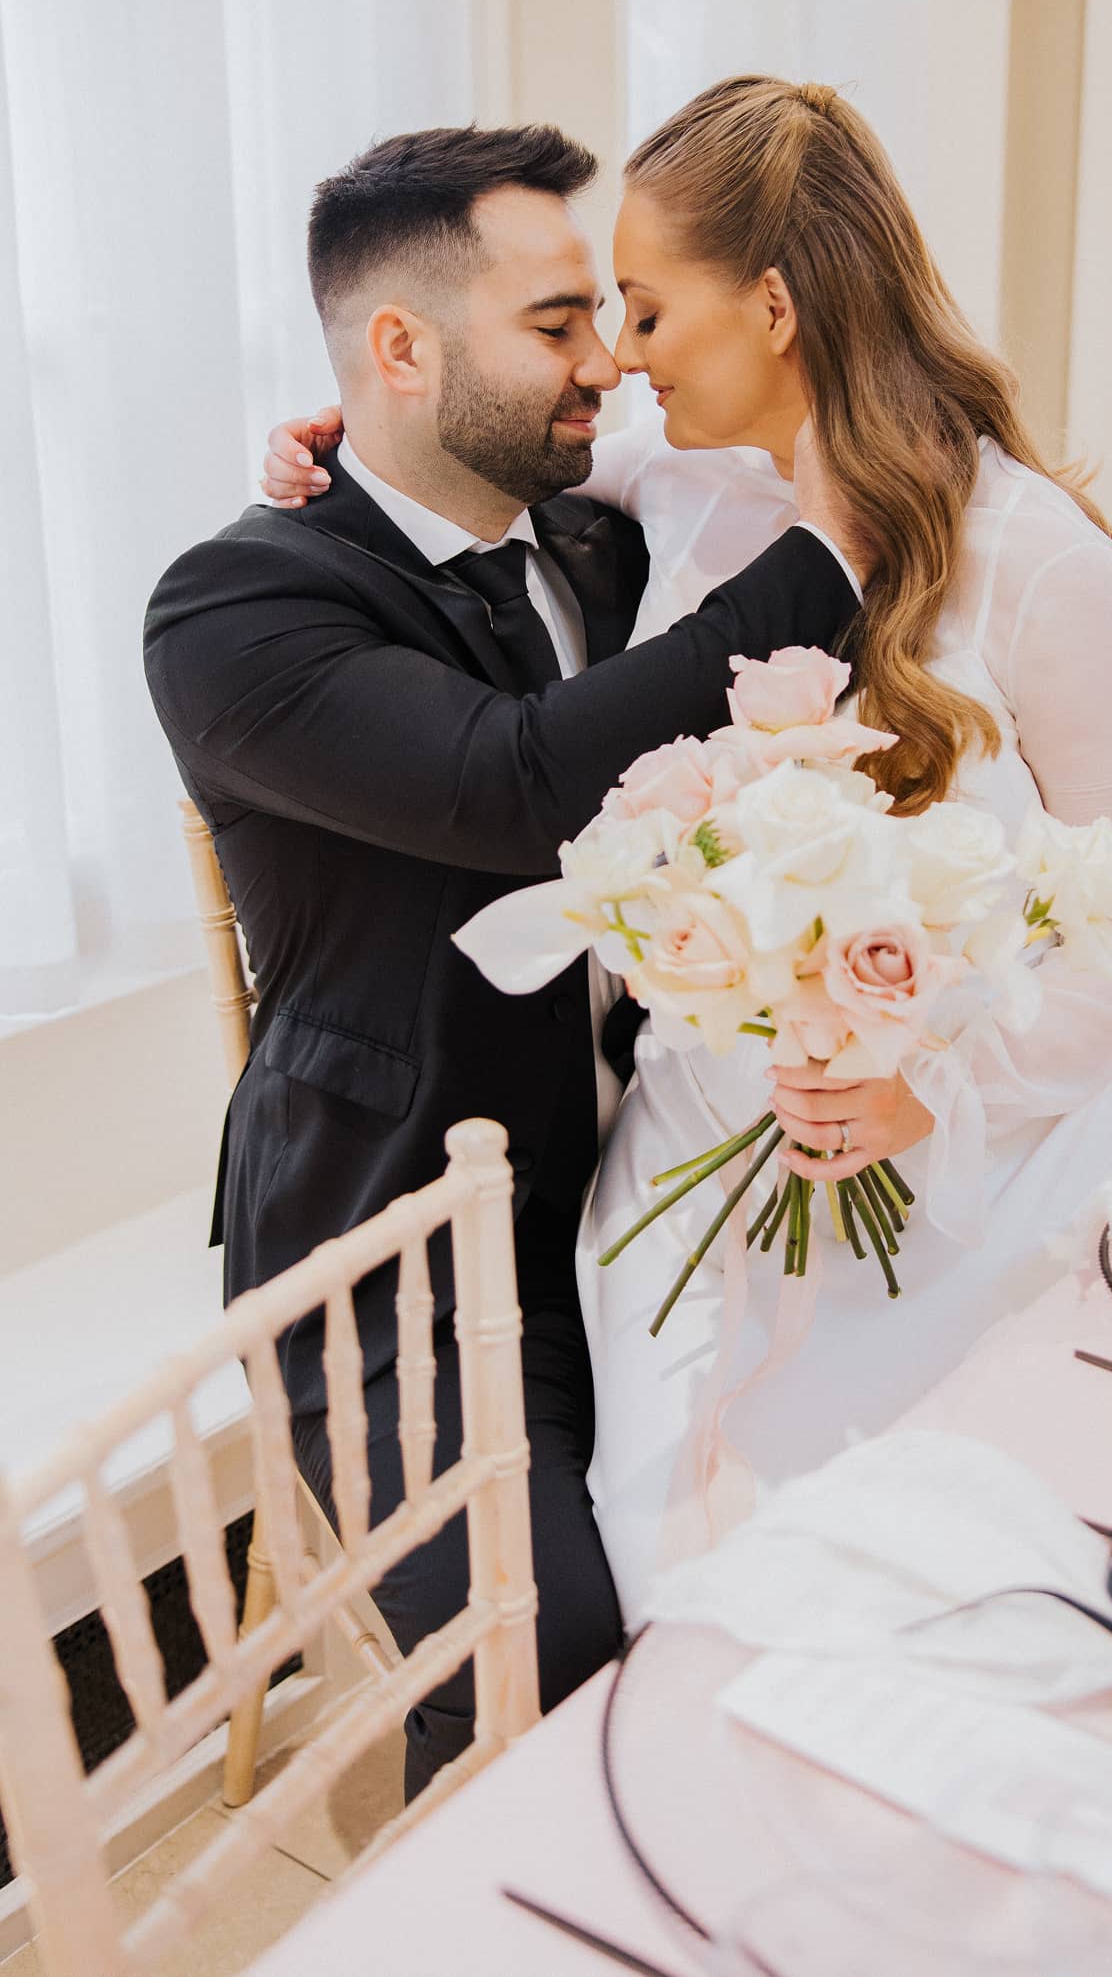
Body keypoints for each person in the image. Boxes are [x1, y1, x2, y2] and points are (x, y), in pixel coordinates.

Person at [262, 78, 1112, 1628]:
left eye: (642, 308)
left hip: (952, 1181)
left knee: (947, 1596)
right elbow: (459, 476)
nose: (617, 358)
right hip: (686, 1174)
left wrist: (930, 1087)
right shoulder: (672, 484)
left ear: (773, 306)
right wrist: (334, 441)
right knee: (683, 1598)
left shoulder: (1040, 564)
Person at [143, 120, 871, 1799]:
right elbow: (517, 783)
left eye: (610, 316)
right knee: (551, 1660)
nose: (606, 362)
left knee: (826, 1546)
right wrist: (838, 547)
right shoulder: (237, 609)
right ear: (398, 347)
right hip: (392, 1246)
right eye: (557, 326)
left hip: (641, 1181)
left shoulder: (603, 553)